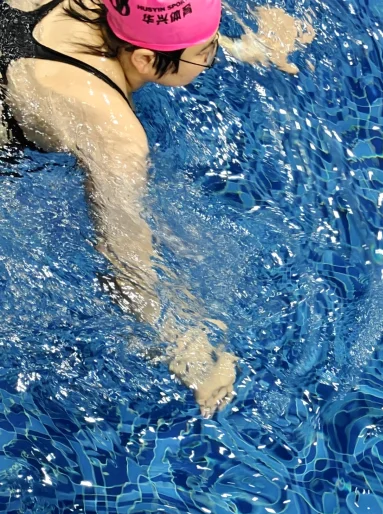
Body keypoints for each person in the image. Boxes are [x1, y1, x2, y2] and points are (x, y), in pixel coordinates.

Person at [0, 0, 313, 413]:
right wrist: (190, 351)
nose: (211, 59)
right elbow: (124, 264)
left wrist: (245, 46)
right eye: (207, 53)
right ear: (145, 60)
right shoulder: (115, 133)